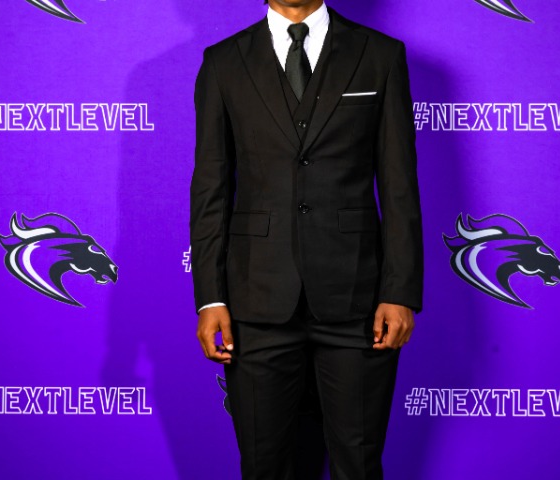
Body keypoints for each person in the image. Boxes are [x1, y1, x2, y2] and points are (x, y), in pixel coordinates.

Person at [190, 0, 423, 478]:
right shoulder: (223, 61)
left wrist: (399, 292)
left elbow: (399, 185)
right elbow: (211, 188)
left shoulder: (380, 54)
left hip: (358, 300)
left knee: (358, 464)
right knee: (263, 466)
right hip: (255, 300)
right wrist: (211, 298)